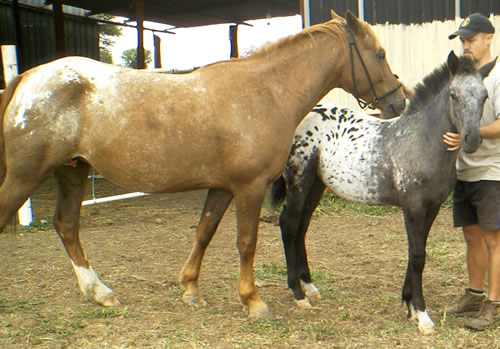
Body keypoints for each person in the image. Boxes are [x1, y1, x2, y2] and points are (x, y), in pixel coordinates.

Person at [442, 13, 500, 331]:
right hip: (466, 169)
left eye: (471, 39)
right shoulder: (466, 75)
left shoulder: (498, 76)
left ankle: (494, 304)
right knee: (472, 235)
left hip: (493, 169)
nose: (466, 45)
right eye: (463, 40)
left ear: (489, 38)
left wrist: (471, 131)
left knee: (494, 239)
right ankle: (475, 295)